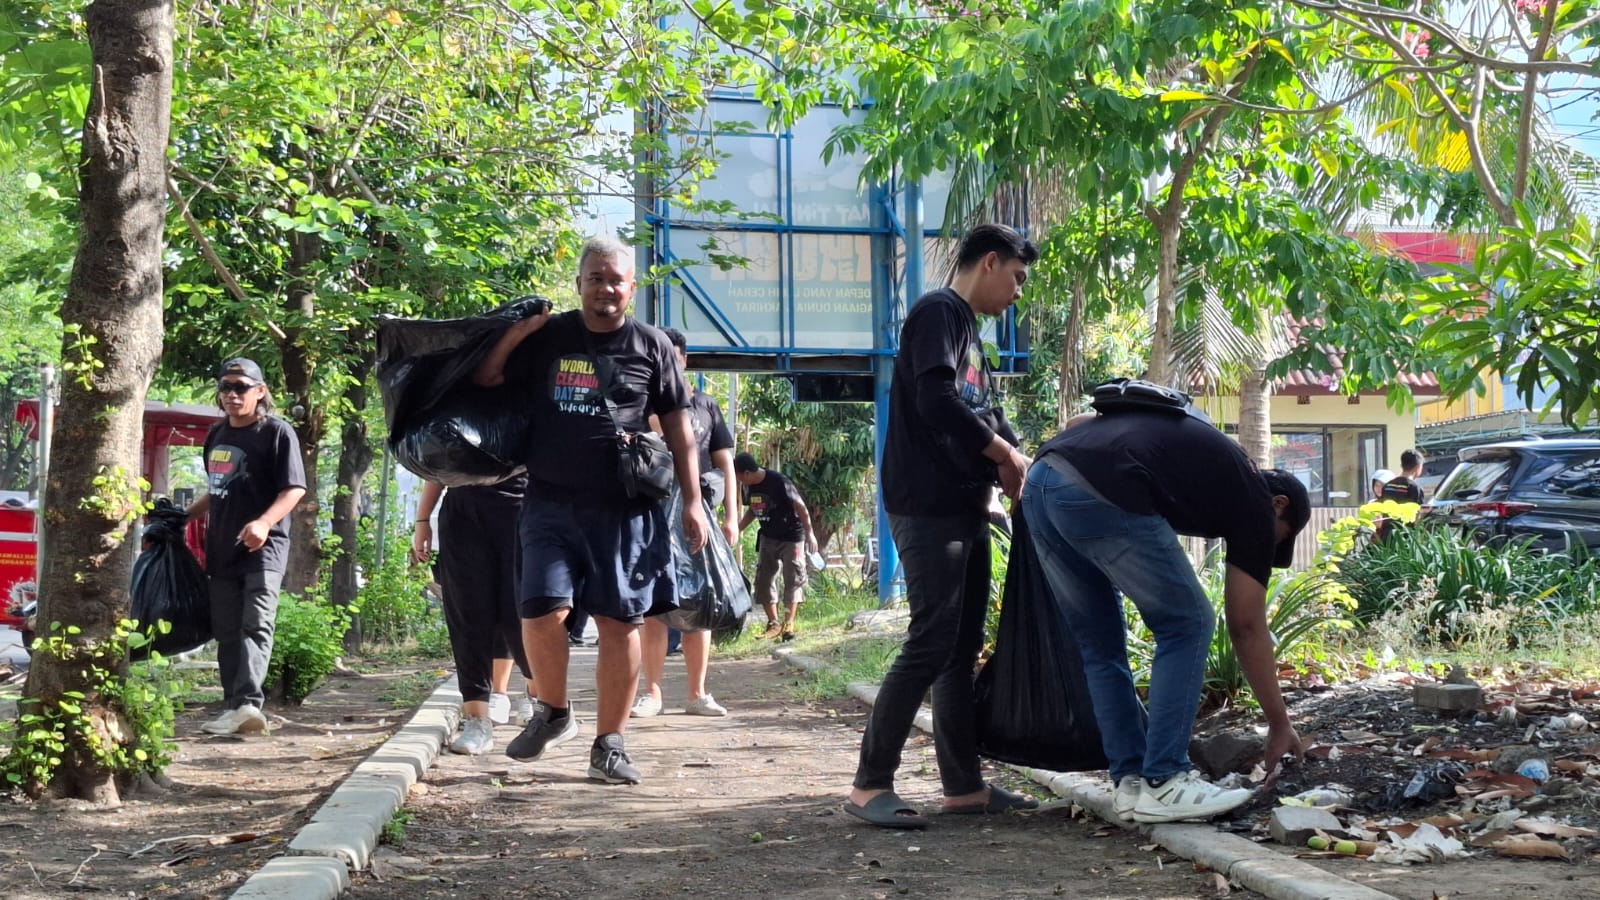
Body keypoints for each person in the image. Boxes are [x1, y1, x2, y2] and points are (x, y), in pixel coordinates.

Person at [472, 235, 709, 785]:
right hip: (549, 500)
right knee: (538, 611)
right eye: (596, 278)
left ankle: (610, 743)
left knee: (619, 622)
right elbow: (486, 379)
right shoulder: (548, 338)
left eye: (616, 280)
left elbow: (678, 427)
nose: (606, 288)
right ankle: (553, 711)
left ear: (631, 288)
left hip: (624, 510)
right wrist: (516, 334)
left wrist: (694, 501)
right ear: (579, 284)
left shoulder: (650, 346)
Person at [1020, 408, 1310, 824]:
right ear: (1277, 505)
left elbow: (1076, 425)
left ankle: (1131, 782)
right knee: (1189, 622)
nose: (1266, 547)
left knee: (1100, 643)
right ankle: (1165, 779)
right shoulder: (1250, 497)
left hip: (1042, 483)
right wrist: (1279, 723)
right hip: (1100, 489)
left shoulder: (1206, 462)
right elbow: (1246, 627)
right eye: (1277, 537)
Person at [845, 223, 1040, 829]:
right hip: (927, 506)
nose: (1017, 292)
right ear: (989, 262)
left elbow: (984, 410)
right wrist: (1004, 457)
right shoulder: (939, 313)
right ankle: (868, 783)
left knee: (959, 649)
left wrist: (1019, 456)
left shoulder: (969, 333)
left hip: (965, 504)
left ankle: (964, 787)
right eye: (1016, 277)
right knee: (931, 641)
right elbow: (936, 401)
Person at [186, 358, 307, 736]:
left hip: (264, 552)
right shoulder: (217, 434)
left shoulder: (277, 432)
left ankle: (250, 704)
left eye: (241, 386)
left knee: (256, 624)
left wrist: (264, 523)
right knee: (226, 630)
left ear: (260, 391)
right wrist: (182, 517)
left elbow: (294, 488)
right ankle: (234, 708)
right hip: (221, 550)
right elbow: (218, 488)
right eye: (225, 387)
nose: (232, 394)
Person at [632, 328, 738, 719]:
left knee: (699, 603)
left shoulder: (706, 405)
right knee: (652, 608)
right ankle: (652, 694)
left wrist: (731, 517)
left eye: (672, 358)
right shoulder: (640, 405)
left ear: (684, 361)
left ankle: (698, 694)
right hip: (651, 517)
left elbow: (725, 463)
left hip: (697, 517)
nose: (666, 366)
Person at [412, 477, 539, 755]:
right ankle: (477, 721)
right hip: (462, 512)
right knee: (468, 616)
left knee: (521, 616)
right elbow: (440, 456)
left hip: (524, 508)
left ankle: (541, 702)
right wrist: (422, 519)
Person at [734, 453, 817, 642]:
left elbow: (801, 507)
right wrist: (737, 529)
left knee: (793, 578)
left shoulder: (779, 481)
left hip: (792, 537)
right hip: (768, 537)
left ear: (747, 473)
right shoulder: (748, 486)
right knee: (763, 579)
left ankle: (789, 624)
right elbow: (754, 510)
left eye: (738, 475)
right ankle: (773, 624)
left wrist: (810, 533)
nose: (737, 480)